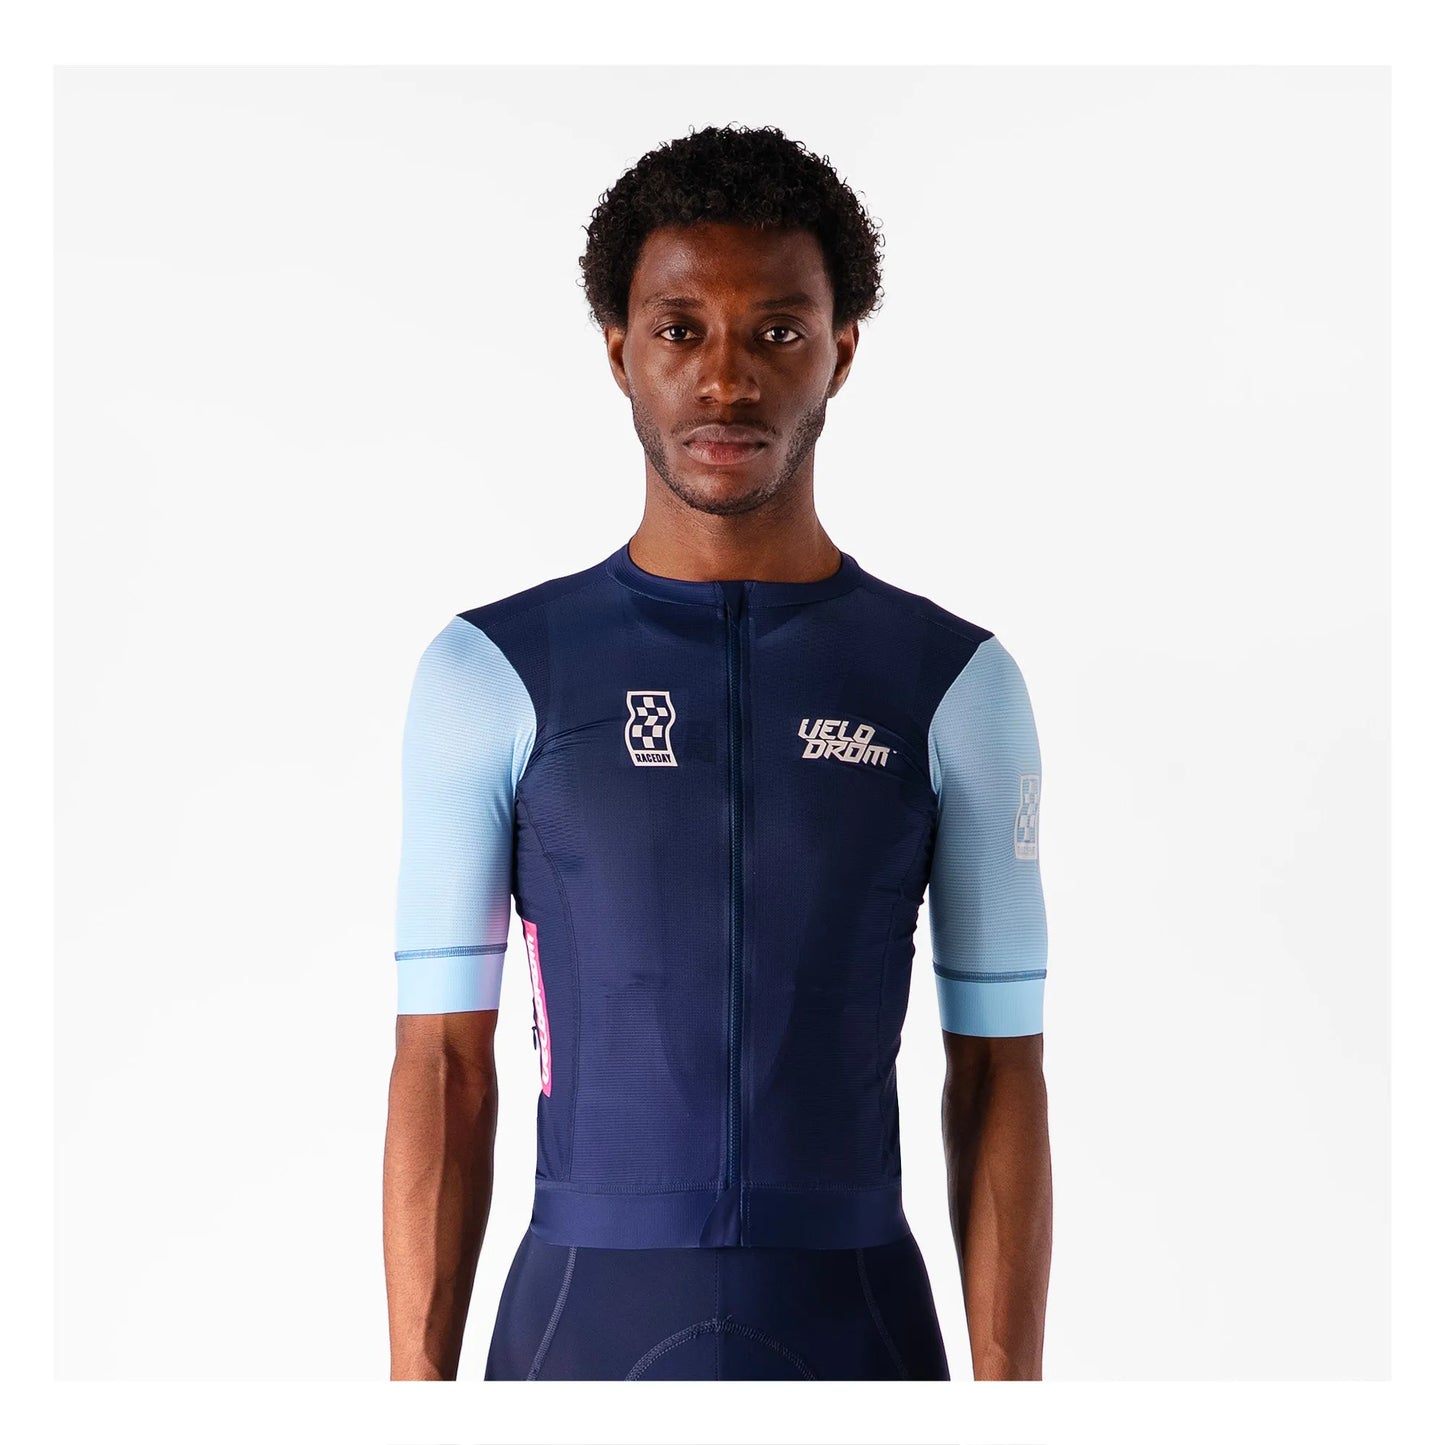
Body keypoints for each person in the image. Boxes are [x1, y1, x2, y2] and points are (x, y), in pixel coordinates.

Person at [382, 122, 1052, 1382]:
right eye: (680, 329)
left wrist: (1014, 1397)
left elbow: (998, 1070)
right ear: (619, 351)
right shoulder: (491, 674)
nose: (726, 380)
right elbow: (443, 1064)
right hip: (578, 1328)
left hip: (855, 1326)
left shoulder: (953, 684)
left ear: (840, 350)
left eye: (777, 331)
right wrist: (411, 1395)